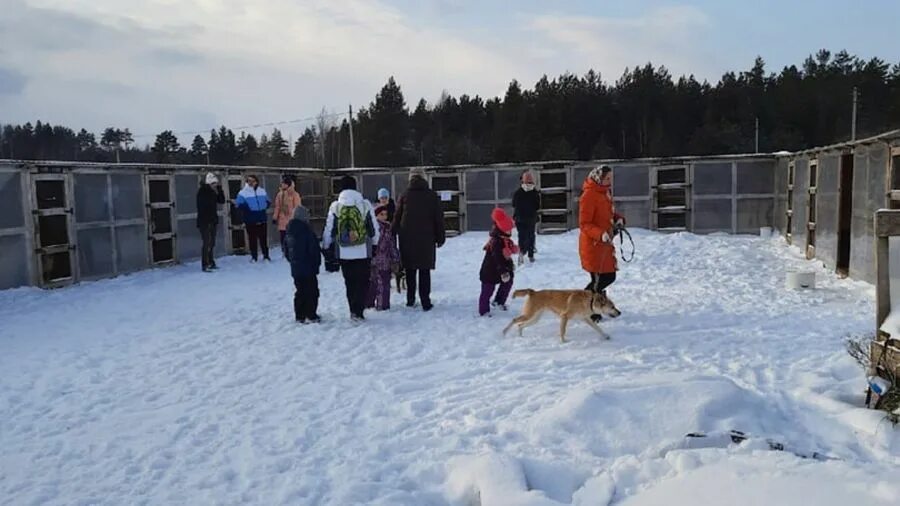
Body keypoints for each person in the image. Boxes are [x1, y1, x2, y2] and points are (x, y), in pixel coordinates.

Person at [322, 175, 379, 321]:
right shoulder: (365, 204)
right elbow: (373, 228)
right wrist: (375, 244)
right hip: (362, 251)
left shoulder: (336, 206)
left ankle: (353, 310)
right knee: (362, 281)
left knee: (350, 282)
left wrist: (326, 245)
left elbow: (330, 228)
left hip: (343, 251)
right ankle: (359, 310)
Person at [393, 168, 445, 311]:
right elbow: (438, 218)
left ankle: (410, 300)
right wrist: (440, 237)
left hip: (407, 238)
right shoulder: (432, 195)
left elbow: (397, 217)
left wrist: (392, 233)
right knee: (424, 270)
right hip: (427, 239)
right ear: (424, 178)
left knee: (410, 270)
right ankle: (425, 302)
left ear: (410, 179)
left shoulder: (404, 195)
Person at [579, 165, 625, 322]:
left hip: (604, 245)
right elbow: (584, 224)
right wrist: (600, 234)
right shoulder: (588, 195)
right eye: (607, 178)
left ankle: (591, 305)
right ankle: (588, 308)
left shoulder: (605, 193)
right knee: (599, 280)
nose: (609, 181)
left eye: (611, 178)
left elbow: (608, 214)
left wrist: (618, 219)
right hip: (593, 246)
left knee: (607, 277)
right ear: (598, 178)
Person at [284, 206, 321, 323]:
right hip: (308, 268)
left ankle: (300, 315)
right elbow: (313, 250)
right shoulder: (307, 231)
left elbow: (286, 250)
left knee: (300, 291)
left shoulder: (289, 232)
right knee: (312, 291)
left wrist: (293, 262)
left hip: (296, 268)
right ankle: (311, 314)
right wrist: (316, 264)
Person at [479, 208, 518, 316]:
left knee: (508, 283)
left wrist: (513, 249)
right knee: (487, 291)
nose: (510, 232)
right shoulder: (496, 242)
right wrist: (503, 272)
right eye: (508, 230)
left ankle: (499, 301)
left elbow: (507, 251)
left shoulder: (505, 239)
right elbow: (498, 258)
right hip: (490, 270)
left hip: (503, 268)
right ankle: (484, 310)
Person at [366, 204, 401, 311]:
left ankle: (369, 304)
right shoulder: (385, 228)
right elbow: (391, 245)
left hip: (373, 260)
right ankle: (382, 305)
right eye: (381, 214)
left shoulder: (371, 227)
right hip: (383, 260)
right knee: (383, 284)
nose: (384, 216)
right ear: (376, 215)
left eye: (385, 214)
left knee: (373, 283)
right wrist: (395, 258)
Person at [235, 174, 271, 262]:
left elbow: (268, 201)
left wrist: (264, 206)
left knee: (263, 239)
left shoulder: (262, 191)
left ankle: (266, 256)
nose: (251, 183)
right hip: (250, 219)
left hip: (262, 218)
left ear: (256, 182)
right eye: (249, 181)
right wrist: (247, 208)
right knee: (252, 239)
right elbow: (238, 204)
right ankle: (254, 257)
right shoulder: (243, 192)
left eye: (253, 181)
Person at [196, 172, 225, 272]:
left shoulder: (213, 192)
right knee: (206, 242)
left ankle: (211, 261)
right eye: (214, 184)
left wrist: (220, 190)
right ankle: (205, 263)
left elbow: (221, 201)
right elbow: (204, 207)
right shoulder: (202, 192)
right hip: (205, 221)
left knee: (211, 243)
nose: (215, 186)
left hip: (212, 221)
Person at [512, 170, 540, 264]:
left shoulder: (518, 193)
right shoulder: (535, 193)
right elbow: (537, 206)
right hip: (531, 218)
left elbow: (514, 204)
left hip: (520, 218)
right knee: (531, 235)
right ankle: (531, 254)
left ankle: (521, 251)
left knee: (521, 236)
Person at [273, 175, 302, 256]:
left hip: (291, 219)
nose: (282, 185)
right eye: (282, 183)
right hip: (282, 219)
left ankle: (292, 251)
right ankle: (284, 251)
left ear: (288, 184)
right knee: (283, 236)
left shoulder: (295, 194)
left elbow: (297, 207)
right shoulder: (279, 194)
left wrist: (296, 219)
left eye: (284, 183)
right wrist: (275, 217)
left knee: (292, 236)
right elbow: (277, 206)